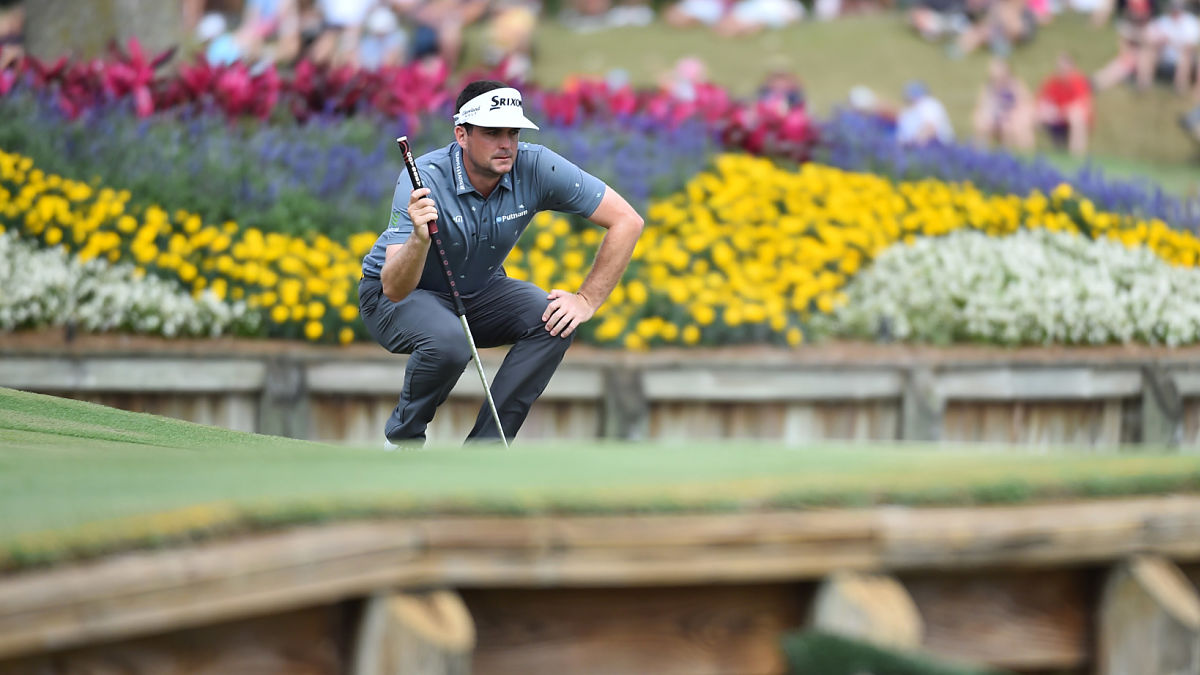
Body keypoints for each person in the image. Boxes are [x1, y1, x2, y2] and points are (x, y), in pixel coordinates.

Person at [358, 80, 644, 447]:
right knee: (450, 342)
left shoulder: (536, 165)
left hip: (477, 291)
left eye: (513, 132)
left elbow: (627, 221)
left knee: (552, 320)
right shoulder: (424, 177)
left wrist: (586, 300)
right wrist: (418, 238)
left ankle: (485, 452)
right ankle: (403, 440)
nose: (506, 144)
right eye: (492, 133)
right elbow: (395, 288)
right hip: (394, 296)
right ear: (462, 135)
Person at [971, 58, 1035, 151]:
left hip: (1013, 117)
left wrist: (1012, 115)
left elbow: (1026, 102)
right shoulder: (988, 87)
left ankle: (1021, 153)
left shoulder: (1015, 84)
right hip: (994, 117)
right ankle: (980, 153)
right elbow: (982, 105)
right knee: (980, 121)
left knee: (1012, 126)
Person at [1037, 52, 1094, 156]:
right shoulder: (1052, 82)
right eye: (1060, 68)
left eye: (1065, 68)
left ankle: (1077, 156)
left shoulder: (1078, 81)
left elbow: (1082, 105)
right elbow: (1042, 102)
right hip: (1056, 119)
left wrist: (1060, 112)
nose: (1062, 71)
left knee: (1076, 116)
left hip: (1072, 118)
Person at [1144, 0, 1199, 94]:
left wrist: (1170, 42)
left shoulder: (1191, 22)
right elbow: (1148, 37)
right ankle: (1144, 85)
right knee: (1147, 51)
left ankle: (1180, 88)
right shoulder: (1162, 21)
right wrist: (1158, 41)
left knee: (1185, 56)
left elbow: (1190, 46)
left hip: (1183, 57)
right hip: (1163, 56)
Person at [896, 80, 955, 145]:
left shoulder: (928, 103)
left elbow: (930, 128)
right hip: (914, 145)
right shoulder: (908, 110)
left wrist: (914, 143)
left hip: (935, 144)